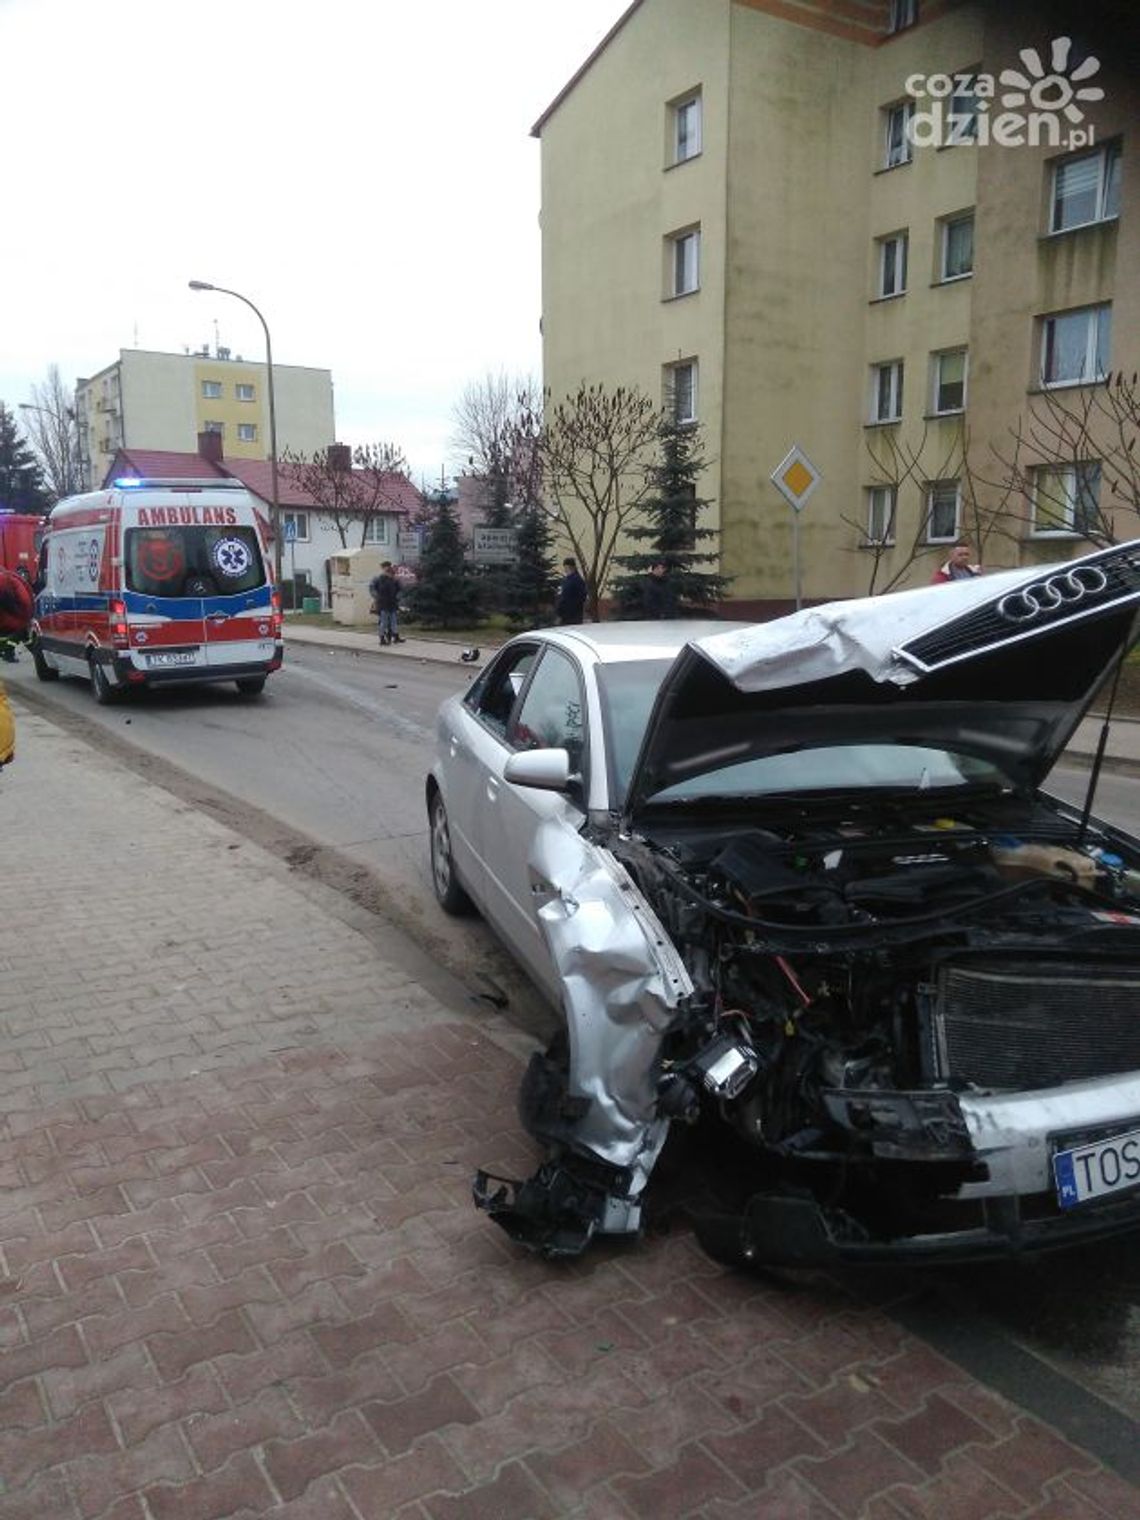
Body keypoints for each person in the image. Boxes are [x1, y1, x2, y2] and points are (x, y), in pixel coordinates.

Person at [369, 561, 404, 645]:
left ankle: (395, 636)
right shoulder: (378, 579)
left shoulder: (393, 579)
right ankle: (382, 638)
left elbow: (399, 589)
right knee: (384, 622)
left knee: (393, 621)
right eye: (385, 567)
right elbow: (372, 589)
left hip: (392, 603)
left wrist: (397, 598)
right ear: (383, 568)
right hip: (383, 603)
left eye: (388, 567)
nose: (387, 569)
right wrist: (376, 597)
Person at [556, 557, 587, 625]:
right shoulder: (567, 580)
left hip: (572, 616)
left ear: (572, 567)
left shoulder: (576, 580)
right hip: (566, 614)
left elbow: (582, 597)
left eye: (566, 567)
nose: (565, 570)